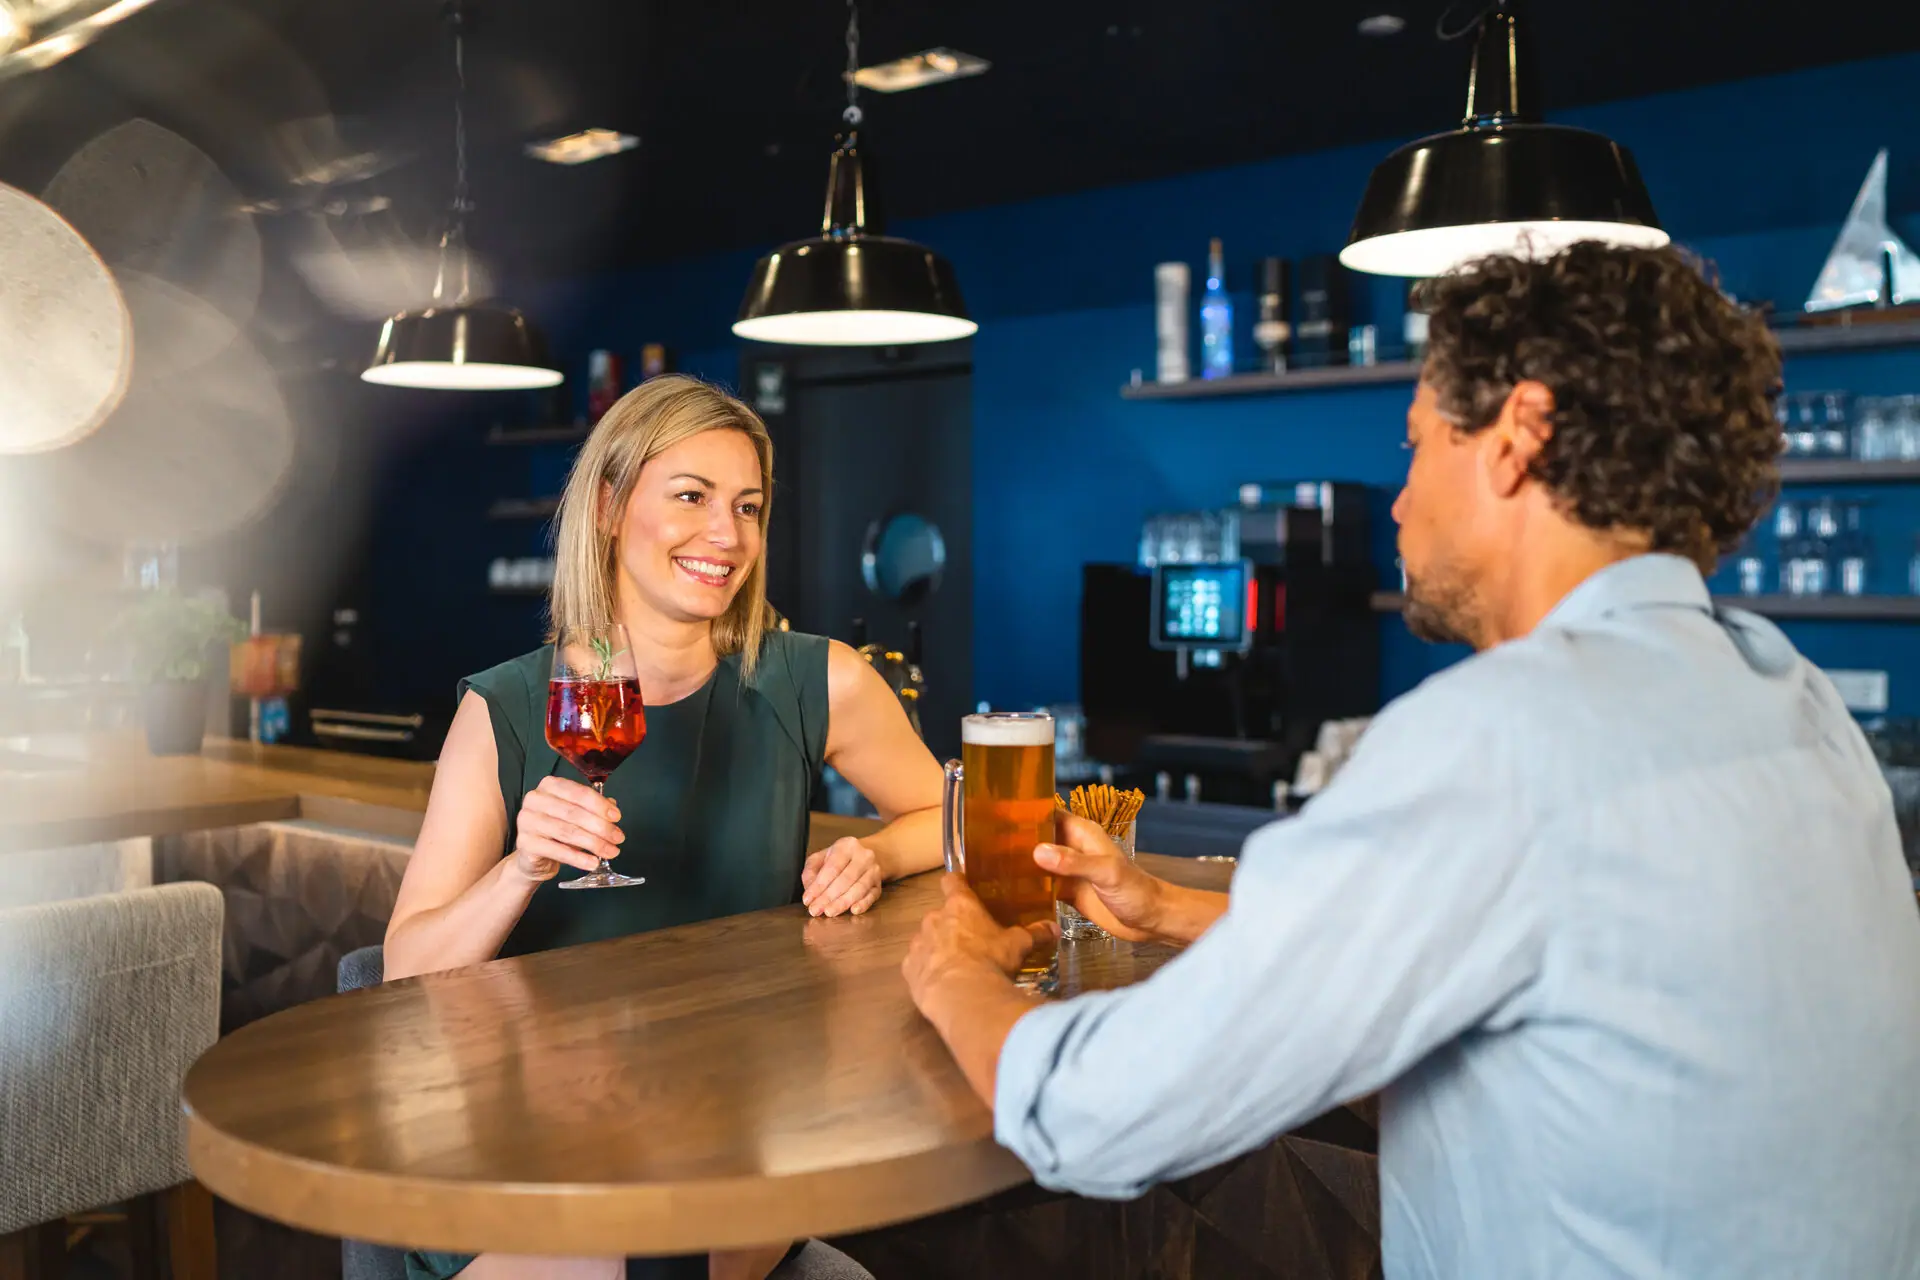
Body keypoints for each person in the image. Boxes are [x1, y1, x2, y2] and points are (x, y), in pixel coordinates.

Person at [903, 243, 1920, 1279]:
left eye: (1418, 441)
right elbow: (1489, 958)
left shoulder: (1501, 735)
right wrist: (1165, 906)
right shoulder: (1792, 695)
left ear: (1520, 435)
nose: (1397, 501)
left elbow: (1095, 1111)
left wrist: (956, 977)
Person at [387, 375, 939, 1280]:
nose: (726, 536)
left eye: (748, 507)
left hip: (731, 1126)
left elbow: (959, 821)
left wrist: (876, 854)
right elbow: (405, 969)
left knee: (685, 1236)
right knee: (608, 1259)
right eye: (691, 496)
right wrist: (520, 869)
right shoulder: (508, 707)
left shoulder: (816, 680)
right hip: (528, 1142)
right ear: (608, 505)